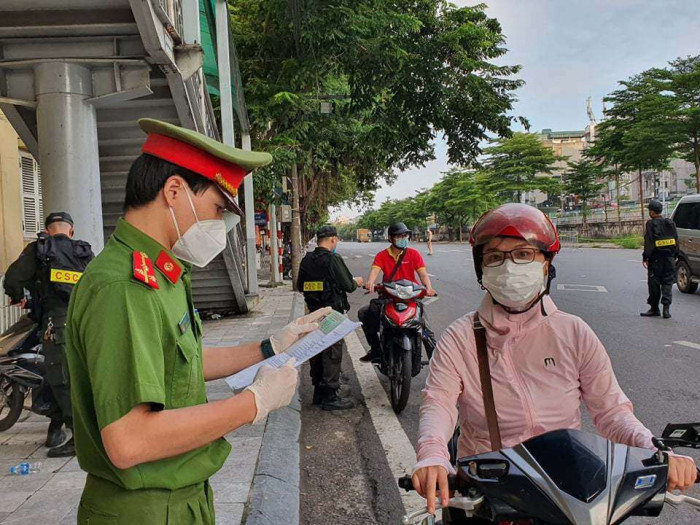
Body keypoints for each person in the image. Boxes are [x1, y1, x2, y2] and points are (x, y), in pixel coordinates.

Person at [64, 118, 330, 524]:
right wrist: (252, 403)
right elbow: (129, 441)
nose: (219, 226)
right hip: (145, 510)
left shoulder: (165, 274)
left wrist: (270, 347)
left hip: (180, 499)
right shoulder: (123, 286)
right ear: (174, 191)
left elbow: (180, 364)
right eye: (216, 209)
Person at [411, 203, 697, 517]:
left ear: (546, 263)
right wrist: (432, 457)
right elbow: (438, 402)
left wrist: (653, 450)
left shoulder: (574, 332)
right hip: (487, 491)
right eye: (494, 258)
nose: (509, 267)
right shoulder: (460, 336)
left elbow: (612, 412)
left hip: (568, 491)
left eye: (523, 254)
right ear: (482, 269)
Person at [4, 211, 94, 457]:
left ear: (47, 229)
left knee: (61, 378)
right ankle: (57, 426)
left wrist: (18, 296)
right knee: (74, 375)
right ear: (71, 231)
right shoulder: (83, 251)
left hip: (58, 323)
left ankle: (80, 438)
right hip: (86, 322)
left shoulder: (39, 249)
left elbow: (12, 278)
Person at [297, 225, 364, 410]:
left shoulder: (307, 260)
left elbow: (300, 285)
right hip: (332, 313)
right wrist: (356, 282)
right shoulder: (333, 259)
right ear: (333, 239)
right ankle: (330, 397)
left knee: (316, 350)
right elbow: (347, 285)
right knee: (332, 352)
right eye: (337, 240)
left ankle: (318, 392)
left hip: (313, 313)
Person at [358, 222, 437, 363]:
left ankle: (436, 362)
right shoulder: (382, 255)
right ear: (391, 238)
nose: (403, 238)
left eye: (405, 235)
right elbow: (375, 270)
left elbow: (423, 274)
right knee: (364, 313)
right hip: (389, 297)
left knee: (426, 328)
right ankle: (375, 349)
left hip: (411, 297)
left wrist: (428, 288)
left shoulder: (414, 254)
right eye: (399, 236)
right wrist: (370, 282)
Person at [641, 199, 678, 319]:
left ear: (652, 212)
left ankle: (654, 309)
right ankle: (666, 310)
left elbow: (649, 243)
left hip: (656, 260)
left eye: (649, 211)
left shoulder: (651, 224)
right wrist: (675, 256)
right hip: (669, 259)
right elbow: (676, 241)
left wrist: (645, 257)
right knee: (667, 283)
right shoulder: (670, 223)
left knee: (654, 284)